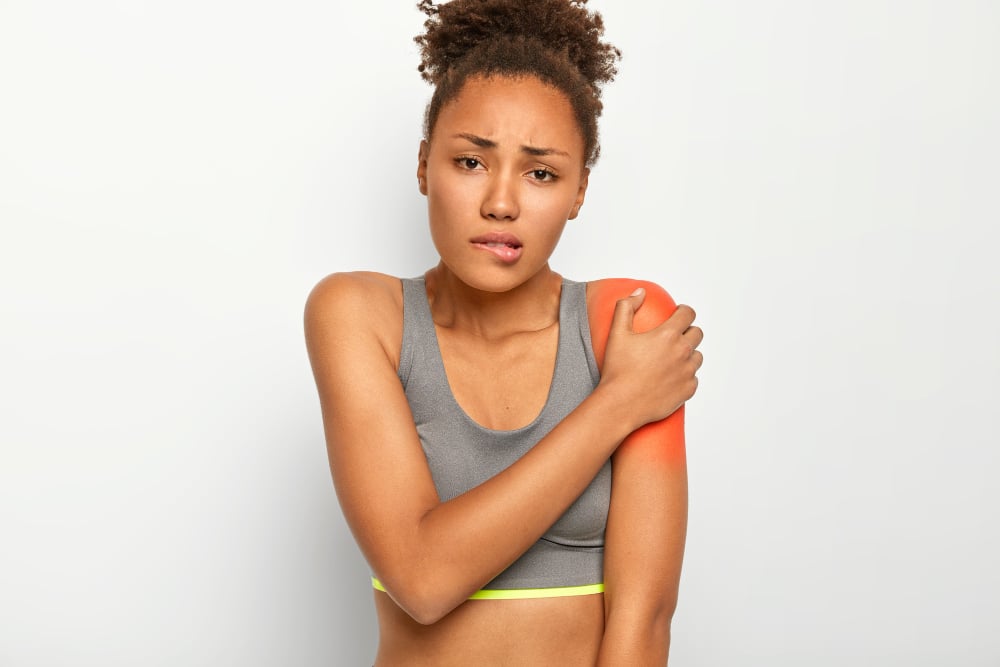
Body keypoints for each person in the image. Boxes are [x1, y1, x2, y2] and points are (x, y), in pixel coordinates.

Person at [304, 0, 704, 663]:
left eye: (541, 172)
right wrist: (617, 405)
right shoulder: (358, 316)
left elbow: (645, 617)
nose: (502, 202)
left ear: (578, 192)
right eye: (471, 162)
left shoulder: (627, 326)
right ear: (425, 162)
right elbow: (422, 577)